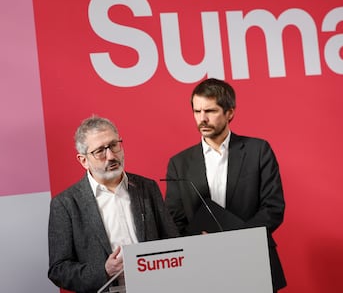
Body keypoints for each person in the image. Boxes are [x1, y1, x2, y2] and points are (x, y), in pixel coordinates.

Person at [164, 78, 287, 292]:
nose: (202, 119)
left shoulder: (258, 151)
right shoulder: (179, 163)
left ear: (230, 112)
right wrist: (196, 242)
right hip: (202, 266)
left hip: (253, 259)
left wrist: (233, 241)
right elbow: (174, 219)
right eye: (197, 111)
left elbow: (273, 208)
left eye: (210, 111)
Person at [48, 116, 179, 293]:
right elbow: (59, 270)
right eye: (100, 151)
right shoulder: (65, 204)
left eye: (114, 145)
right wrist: (105, 271)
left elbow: (172, 242)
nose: (111, 156)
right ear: (83, 160)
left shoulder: (147, 187)